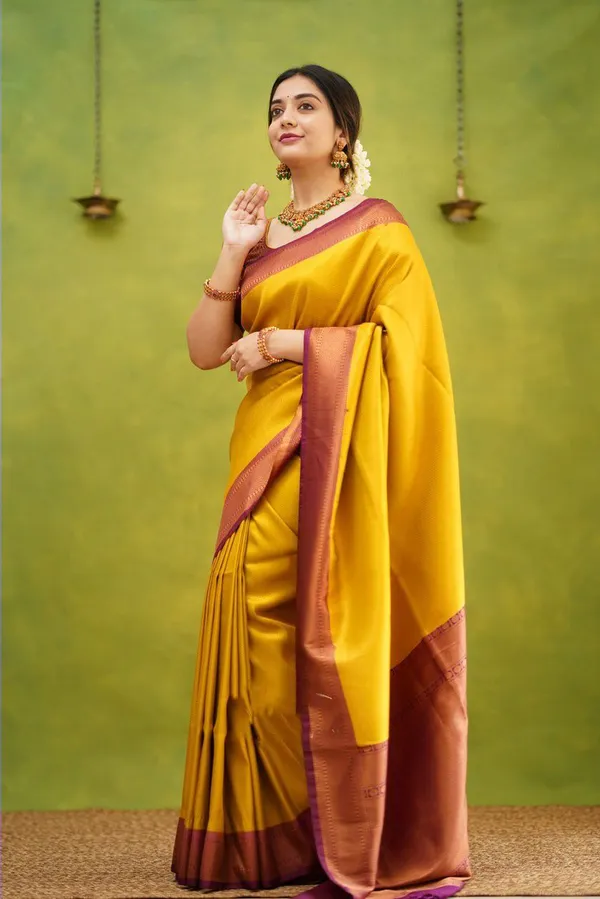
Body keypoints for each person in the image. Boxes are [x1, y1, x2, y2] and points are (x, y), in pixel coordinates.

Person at [171, 64, 472, 899]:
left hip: (343, 456)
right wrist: (233, 249)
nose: (286, 117)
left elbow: (407, 351)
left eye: (306, 106)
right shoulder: (262, 234)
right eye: (276, 108)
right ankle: (272, 838)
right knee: (252, 624)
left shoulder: (381, 230)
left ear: (343, 132)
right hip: (263, 451)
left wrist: (283, 344)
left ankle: (345, 830)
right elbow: (204, 349)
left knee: (330, 632)